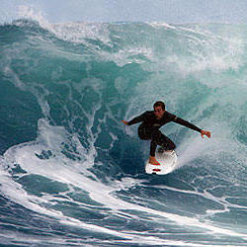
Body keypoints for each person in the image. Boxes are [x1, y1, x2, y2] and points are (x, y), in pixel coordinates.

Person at [122, 101, 211, 165]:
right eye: (155, 110)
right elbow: (138, 119)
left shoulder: (168, 116)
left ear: (164, 110)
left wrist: (200, 131)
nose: (156, 113)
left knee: (171, 146)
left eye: (159, 110)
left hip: (154, 132)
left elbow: (184, 123)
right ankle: (151, 158)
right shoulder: (148, 114)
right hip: (143, 132)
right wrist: (129, 123)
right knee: (155, 132)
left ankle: (159, 152)